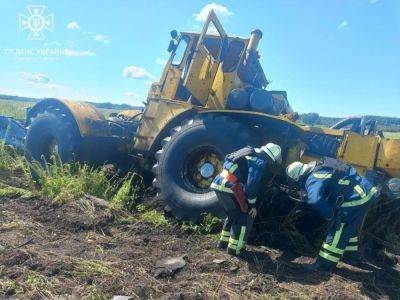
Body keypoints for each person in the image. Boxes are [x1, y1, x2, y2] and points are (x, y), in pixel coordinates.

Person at [286, 157, 379, 272]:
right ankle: (351, 256)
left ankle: (324, 264)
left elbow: (315, 200)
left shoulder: (312, 178)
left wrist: (330, 215)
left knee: (338, 227)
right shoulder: (319, 167)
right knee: (349, 226)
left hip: (356, 197)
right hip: (366, 191)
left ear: (298, 177)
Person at [210, 143, 282, 256]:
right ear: (272, 156)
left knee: (232, 215)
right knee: (243, 217)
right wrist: (252, 206)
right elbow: (251, 186)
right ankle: (235, 250)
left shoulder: (247, 153)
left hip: (218, 183)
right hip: (230, 187)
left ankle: (223, 244)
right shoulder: (259, 161)